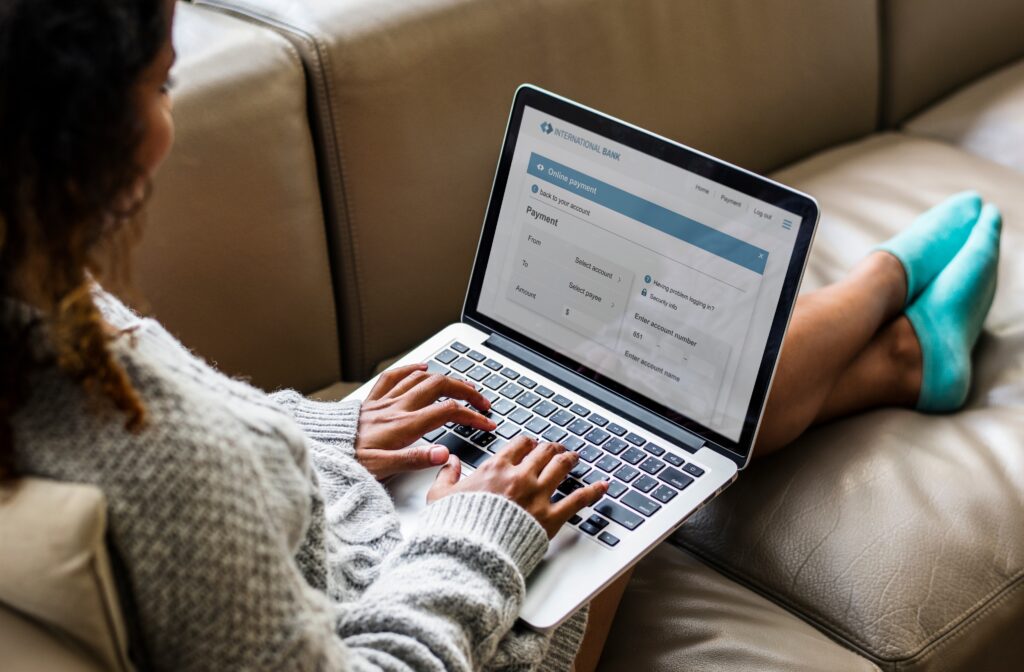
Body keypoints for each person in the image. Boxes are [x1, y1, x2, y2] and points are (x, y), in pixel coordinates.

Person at [0, 1, 1001, 671]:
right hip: (470, 619)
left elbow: (198, 447)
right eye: (165, 83)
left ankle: (901, 357)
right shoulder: (162, 469)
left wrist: (327, 436)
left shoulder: (36, 306)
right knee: (638, 406)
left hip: (370, 532)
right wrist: (485, 528)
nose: (169, 119)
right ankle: (884, 289)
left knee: (612, 400)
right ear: (79, 127)